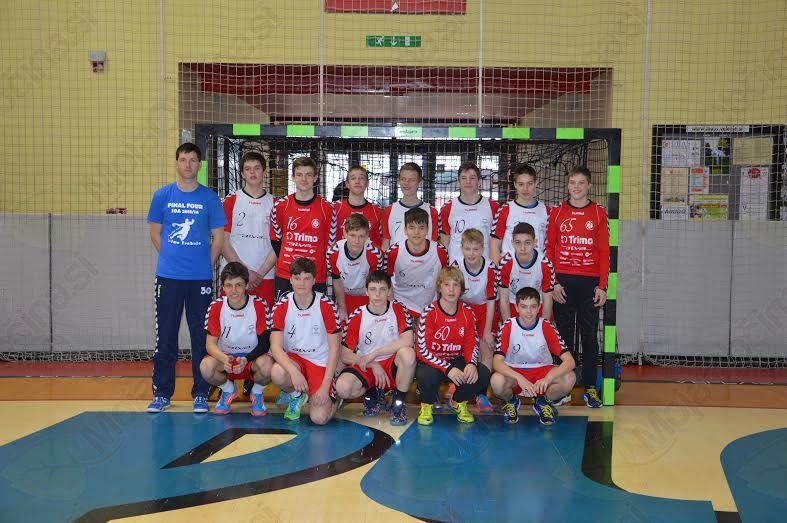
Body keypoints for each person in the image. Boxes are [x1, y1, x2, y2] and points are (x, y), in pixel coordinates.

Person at [146, 142, 226, 413]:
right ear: (176, 163)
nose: (188, 165)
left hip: (199, 280)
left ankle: (201, 393)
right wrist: (172, 258)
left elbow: (218, 238)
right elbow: (155, 233)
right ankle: (162, 393)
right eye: (183, 159)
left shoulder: (209, 198)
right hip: (168, 278)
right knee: (166, 336)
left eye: (193, 160)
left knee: (200, 337)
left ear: (199, 165)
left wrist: (205, 265)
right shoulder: (162, 196)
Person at [545, 165, 609, 408]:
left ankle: (590, 388)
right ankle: (564, 387)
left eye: (581, 183)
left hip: (589, 283)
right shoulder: (557, 212)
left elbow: (604, 252)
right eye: (573, 182)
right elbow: (549, 249)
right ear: (567, 185)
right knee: (563, 337)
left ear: (589, 185)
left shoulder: (598, 213)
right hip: (563, 282)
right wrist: (553, 283)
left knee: (590, 336)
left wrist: (602, 286)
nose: (577, 187)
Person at [335, 271, 415, 425]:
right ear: (366, 291)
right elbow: (345, 355)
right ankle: (372, 393)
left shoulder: (398, 308)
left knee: (408, 354)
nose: (377, 294)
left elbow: (408, 340)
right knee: (342, 388)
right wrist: (372, 363)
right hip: (367, 365)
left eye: (382, 289)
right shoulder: (358, 315)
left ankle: (397, 404)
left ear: (389, 291)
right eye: (373, 289)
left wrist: (376, 353)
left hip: (392, 363)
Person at [415, 267, 491, 425]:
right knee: (426, 375)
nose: (451, 289)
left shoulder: (467, 312)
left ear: (461, 289)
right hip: (433, 362)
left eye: (455, 285)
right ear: (439, 288)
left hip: (456, 360)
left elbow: (471, 343)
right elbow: (422, 350)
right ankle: (427, 405)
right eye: (447, 285)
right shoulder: (429, 312)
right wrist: (448, 368)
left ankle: (458, 402)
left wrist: (471, 363)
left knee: (482, 373)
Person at [269, 258, 341, 424]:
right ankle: (297, 395)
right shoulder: (281, 305)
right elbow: (276, 347)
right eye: (297, 278)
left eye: (307, 278)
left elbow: (335, 348)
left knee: (319, 418)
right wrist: (294, 373)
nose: (302, 283)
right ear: (290, 279)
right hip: (295, 360)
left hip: (319, 362)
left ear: (314, 280)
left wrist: (325, 387)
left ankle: (335, 397)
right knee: (277, 372)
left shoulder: (326, 305)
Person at [491, 287, 576, 425]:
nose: (529, 311)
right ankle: (512, 401)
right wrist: (519, 378)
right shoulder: (508, 326)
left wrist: (548, 378)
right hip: (515, 373)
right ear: (516, 308)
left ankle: (543, 403)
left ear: (539, 308)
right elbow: (497, 362)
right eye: (524, 307)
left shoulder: (546, 326)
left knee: (569, 377)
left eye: (533, 306)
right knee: (496, 381)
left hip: (541, 372)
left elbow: (570, 361)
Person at [200, 262, 273, 416]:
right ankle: (228, 390)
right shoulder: (216, 306)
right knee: (206, 367)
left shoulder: (259, 305)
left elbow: (265, 344)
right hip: (227, 360)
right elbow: (210, 345)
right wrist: (224, 358)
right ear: (223, 287)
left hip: (252, 360)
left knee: (268, 366)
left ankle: (256, 393)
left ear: (246, 285)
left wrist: (246, 359)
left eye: (238, 285)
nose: (234, 291)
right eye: (229, 285)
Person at [269, 157, 334, 300]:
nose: (304, 179)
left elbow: (329, 246)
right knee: (284, 313)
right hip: (286, 275)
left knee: (315, 313)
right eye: (299, 174)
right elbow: (276, 241)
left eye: (308, 174)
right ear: (293, 177)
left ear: (315, 178)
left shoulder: (327, 208)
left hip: (315, 276)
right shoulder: (280, 206)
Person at [220, 152, 277, 309]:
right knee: (230, 321)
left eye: (257, 168)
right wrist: (244, 272)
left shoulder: (276, 204)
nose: (252, 172)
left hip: (264, 276)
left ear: (264, 172)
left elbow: (278, 244)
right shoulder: (230, 201)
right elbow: (223, 241)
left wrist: (260, 274)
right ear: (242, 174)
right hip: (234, 276)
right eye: (248, 169)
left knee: (263, 322)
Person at [449, 228, 498, 413]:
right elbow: (451, 297)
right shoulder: (456, 267)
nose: (471, 253)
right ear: (461, 248)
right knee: (459, 347)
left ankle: (481, 394)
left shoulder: (491, 268)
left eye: (476, 249)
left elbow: (492, 301)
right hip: (462, 309)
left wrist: (487, 330)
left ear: (483, 249)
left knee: (486, 349)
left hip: (484, 309)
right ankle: (458, 385)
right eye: (467, 249)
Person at [385, 207, 448, 322]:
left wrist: (440, 309)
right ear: (405, 230)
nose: (416, 232)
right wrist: (393, 309)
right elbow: (386, 282)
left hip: (430, 306)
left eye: (421, 228)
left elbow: (444, 282)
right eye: (411, 227)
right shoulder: (393, 252)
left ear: (427, 229)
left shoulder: (440, 251)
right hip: (401, 305)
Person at [326, 213, 383, 323]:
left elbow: (375, 283)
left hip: (366, 296)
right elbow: (337, 282)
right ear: (345, 233)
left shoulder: (375, 254)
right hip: (344, 296)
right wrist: (342, 308)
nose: (357, 241)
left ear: (367, 236)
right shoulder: (332, 253)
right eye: (352, 235)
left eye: (361, 236)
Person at [438, 161, 500, 262]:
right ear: (458, 182)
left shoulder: (494, 207)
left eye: (472, 178)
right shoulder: (447, 208)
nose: (468, 181)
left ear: (479, 182)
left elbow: (498, 243)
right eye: (463, 178)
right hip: (456, 268)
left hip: (485, 267)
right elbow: (444, 243)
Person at [490, 163, 550, 264]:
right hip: (510, 269)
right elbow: (494, 245)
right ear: (515, 185)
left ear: (536, 183)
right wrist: (498, 270)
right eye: (521, 184)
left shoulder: (547, 211)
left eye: (529, 184)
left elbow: (550, 245)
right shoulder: (505, 210)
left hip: (537, 269)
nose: (525, 189)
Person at [497, 222, 555, 322]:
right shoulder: (504, 263)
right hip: (513, 303)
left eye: (527, 243)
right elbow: (503, 299)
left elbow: (547, 300)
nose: (522, 248)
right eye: (518, 242)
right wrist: (508, 326)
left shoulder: (545, 265)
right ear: (512, 243)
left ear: (535, 242)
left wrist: (544, 326)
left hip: (537, 305)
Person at [381, 162, 440, 252]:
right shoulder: (389, 211)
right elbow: (385, 244)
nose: (406, 183)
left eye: (411, 180)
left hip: (424, 260)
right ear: (399, 181)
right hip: (396, 260)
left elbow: (434, 244)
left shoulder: (431, 211)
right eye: (403, 179)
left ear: (420, 182)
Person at [331, 165, 384, 249]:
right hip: (341, 257)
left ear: (367, 183)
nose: (357, 181)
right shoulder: (334, 209)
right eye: (353, 178)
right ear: (347, 184)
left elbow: (384, 242)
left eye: (361, 178)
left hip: (368, 257)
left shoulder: (378, 212)